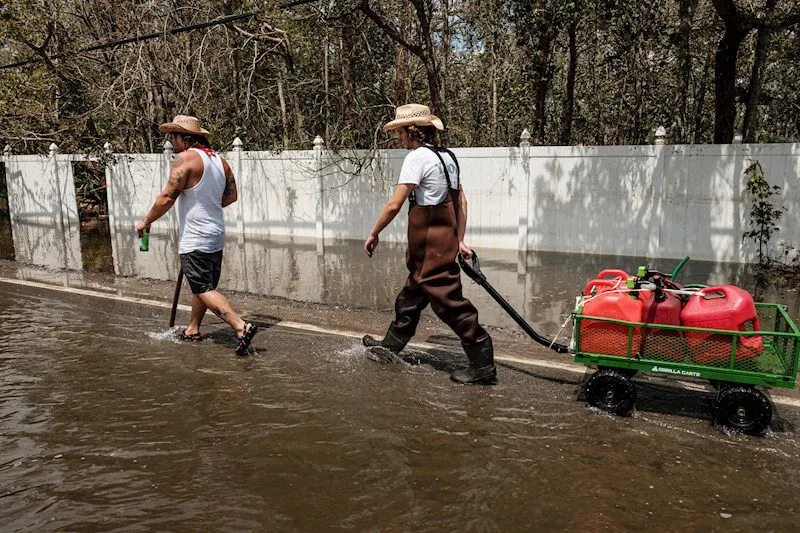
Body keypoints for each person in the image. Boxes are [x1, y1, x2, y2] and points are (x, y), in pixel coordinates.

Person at [362, 104, 496, 384]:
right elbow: (460, 201)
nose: (399, 138)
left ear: (412, 131)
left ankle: (482, 362)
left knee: (449, 301)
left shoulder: (417, 158)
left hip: (429, 242)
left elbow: (394, 204)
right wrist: (459, 239)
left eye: (400, 132)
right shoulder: (447, 157)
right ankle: (391, 346)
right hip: (443, 237)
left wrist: (374, 232)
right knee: (412, 295)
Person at [135, 115, 257, 356]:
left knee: (202, 287)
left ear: (182, 138)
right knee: (204, 285)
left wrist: (147, 221)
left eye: (174, 137)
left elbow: (168, 197)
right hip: (215, 233)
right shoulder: (219, 161)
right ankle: (193, 329)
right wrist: (208, 204)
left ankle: (241, 327)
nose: (173, 142)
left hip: (196, 236)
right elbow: (231, 197)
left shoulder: (185, 158)